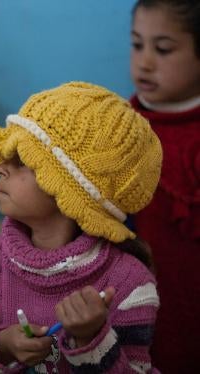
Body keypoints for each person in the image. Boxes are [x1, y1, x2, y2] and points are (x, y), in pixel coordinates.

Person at [0, 82, 162, 373]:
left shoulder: (129, 283)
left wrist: (91, 338)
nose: (0, 166)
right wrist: (0, 346)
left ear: (71, 193)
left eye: (21, 160)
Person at [130, 1, 200, 372]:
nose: (144, 62)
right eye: (137, 44)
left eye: (163, 49)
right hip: (146, 306)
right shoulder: (120, 124)